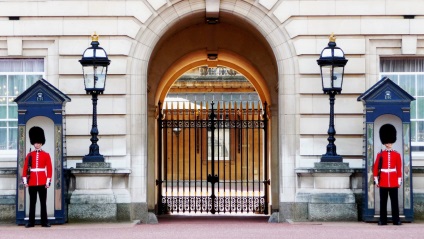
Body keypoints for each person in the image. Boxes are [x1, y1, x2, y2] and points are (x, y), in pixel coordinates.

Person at [22, 126, 52, 228]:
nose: (37, 144)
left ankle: (45, 222)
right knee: (32, 203)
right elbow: (25, 168)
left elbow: (49, 168)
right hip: (32, 182)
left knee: (43, 203)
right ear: (33, 143)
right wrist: (25, 180)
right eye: (35, 143)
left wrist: (48, 181)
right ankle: (31, 222)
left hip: (43, 181)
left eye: (39, 143)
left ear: (41, 143)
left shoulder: (46, 155)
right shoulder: (29, 155)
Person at [373, 124, 402, 226]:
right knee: (383, 202)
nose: (388, 144)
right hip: (383, 181)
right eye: (387, 142)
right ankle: (382, 220)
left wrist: (399, 180)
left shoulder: (397, 155)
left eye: (390, 142)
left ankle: (396, 220)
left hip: (393, 181)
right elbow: (376, 167)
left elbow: (399, 168)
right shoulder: (380, 155)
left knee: (395, 202)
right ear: (385, 143)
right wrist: (376, 179)